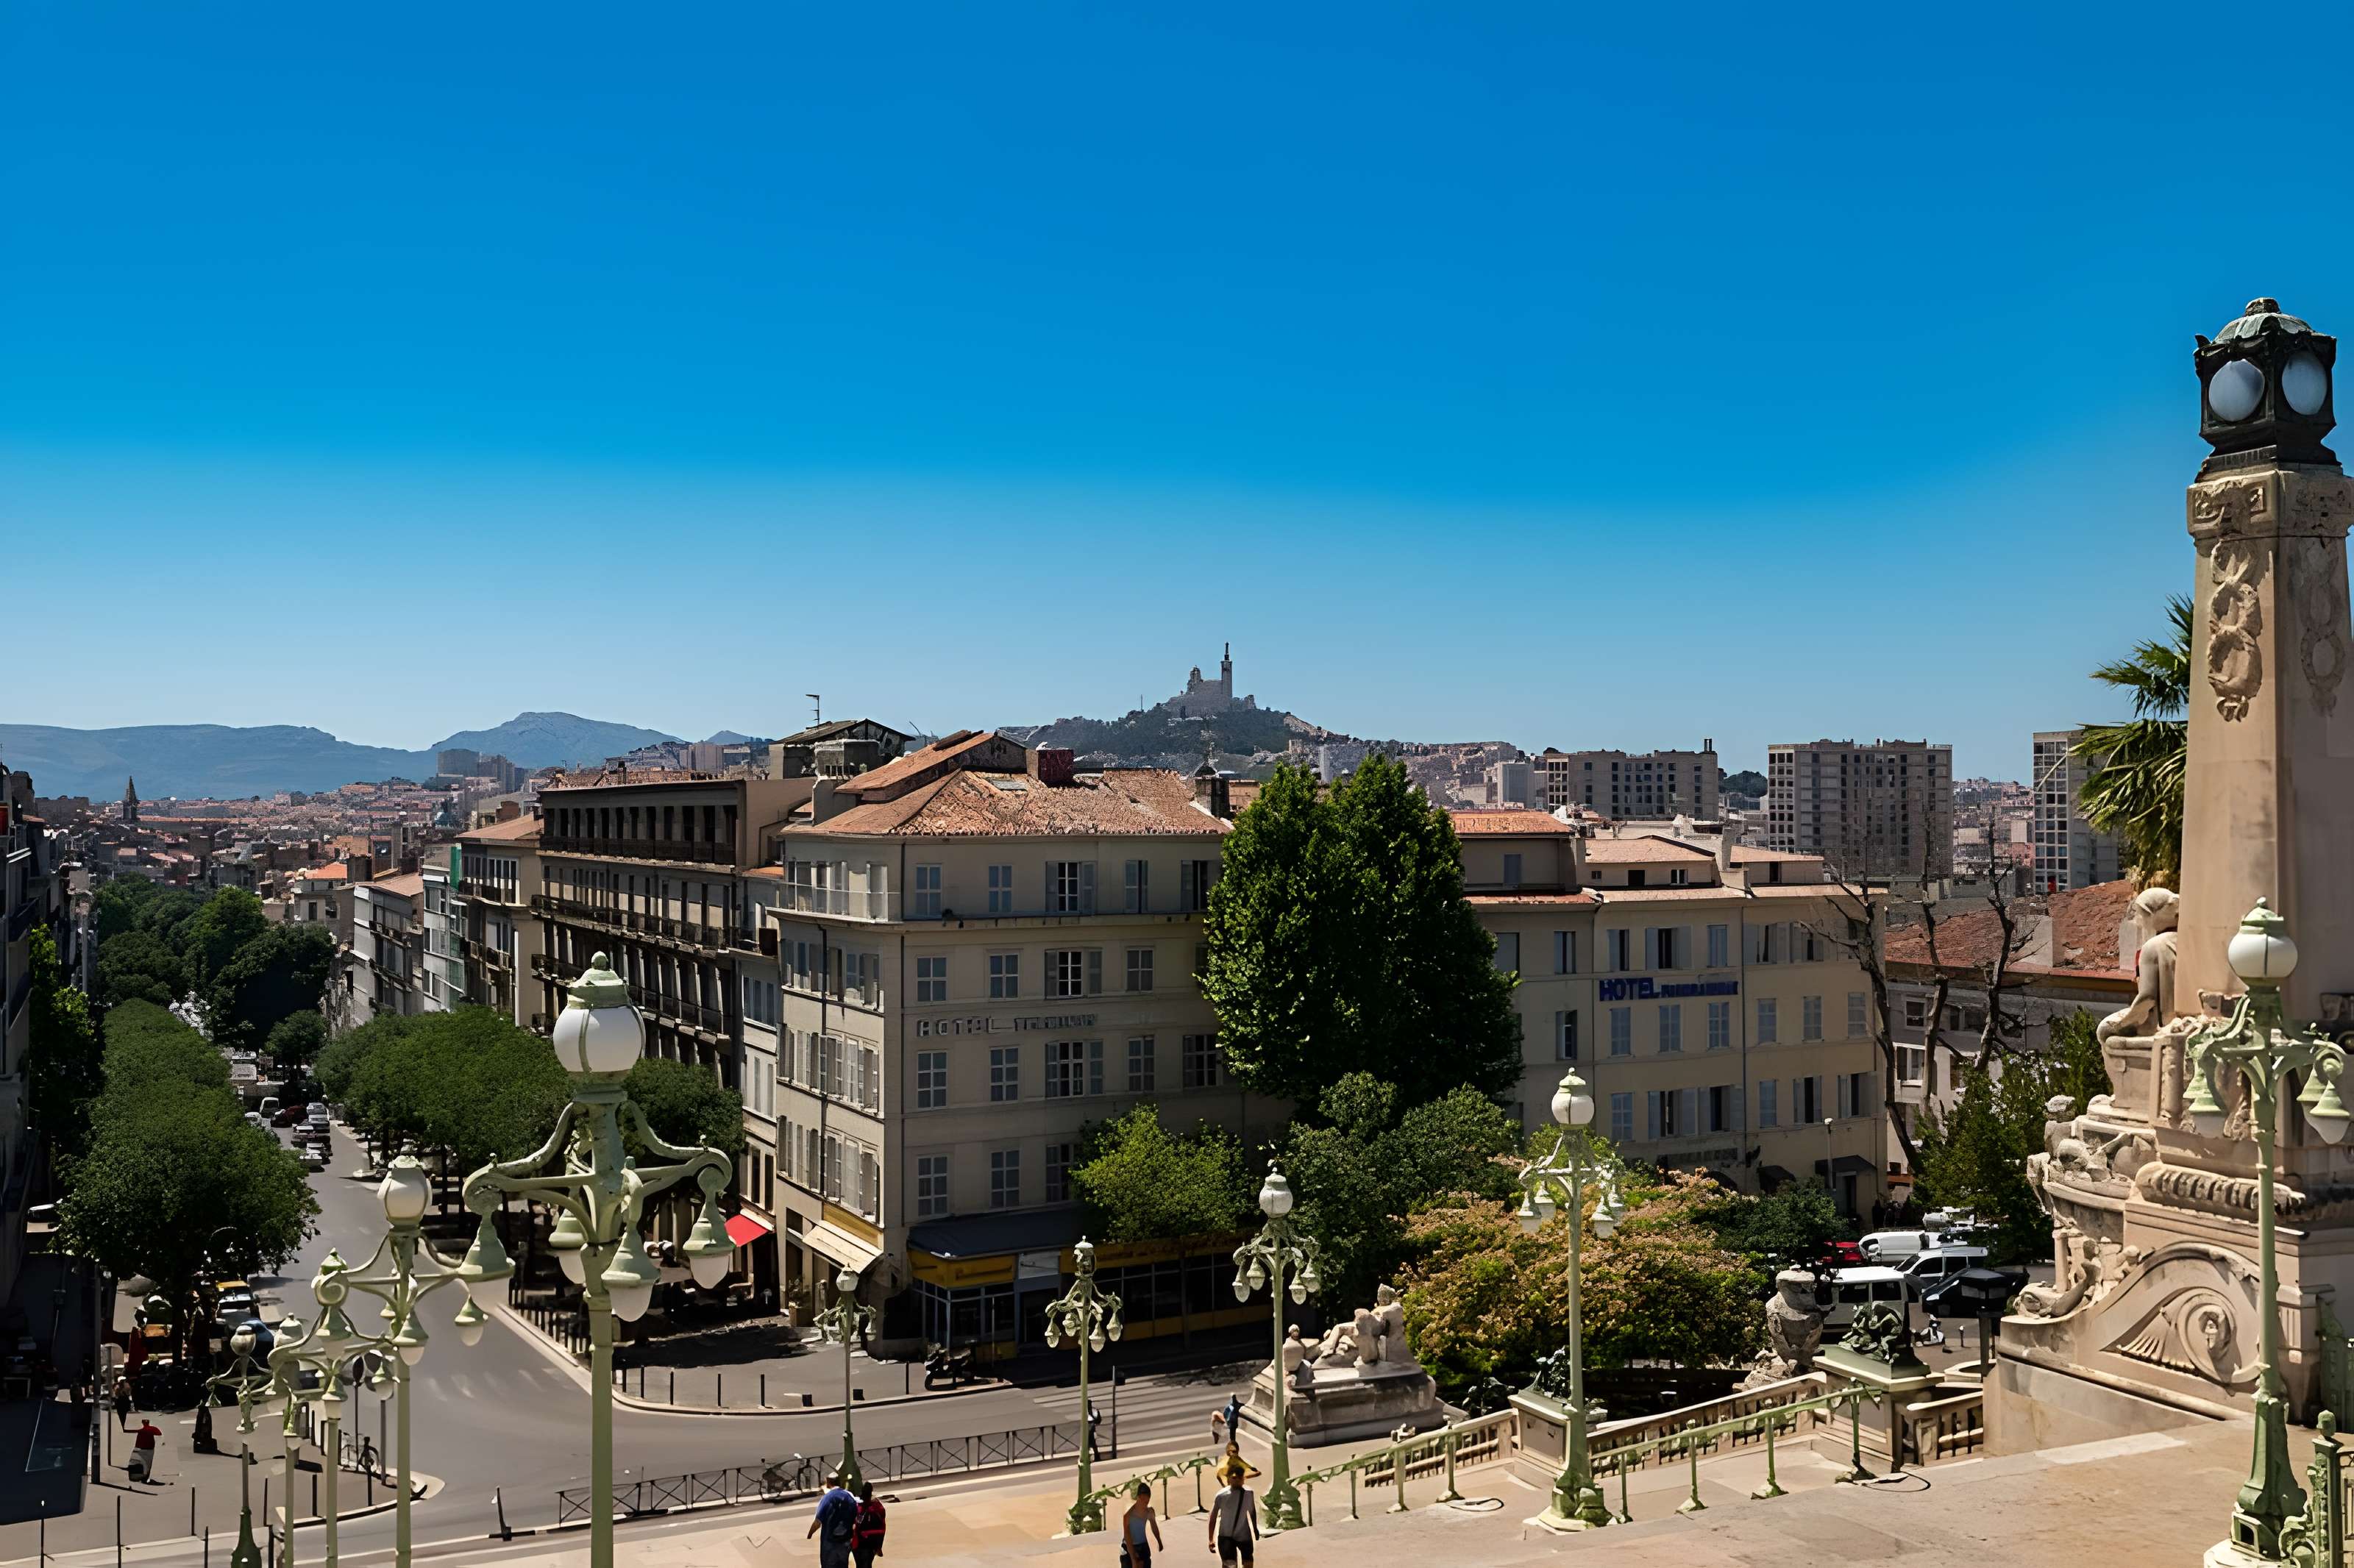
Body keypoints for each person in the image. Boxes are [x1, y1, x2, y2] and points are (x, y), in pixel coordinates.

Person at [806, 1472, 858, 1568]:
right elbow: (856, 1518)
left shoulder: (827, 1498)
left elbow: (818, 1522)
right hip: (845, 1541)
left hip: (829, 1543)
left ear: (828, 1483)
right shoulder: (849, 1497)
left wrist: (810, 1534)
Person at [1207, 1470, 1258, 1567]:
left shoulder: (1248, 1493)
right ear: (1229, 1479)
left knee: (1248, 1563)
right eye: (1234, 1478)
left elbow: (1252, 1512)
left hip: (1244, 1536)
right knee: (1230, 1565)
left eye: (1240, 1477)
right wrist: (1211, 1539)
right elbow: (1213, 1517)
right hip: (1226, 1536)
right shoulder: (1222, 1495)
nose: (1237, 1480)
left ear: (1243, 1479)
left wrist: (1255, 1529)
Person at [1120, 1480, 1163, 1567]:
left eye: (1147, 1502)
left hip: (1143, 1547)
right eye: (1143, 1501)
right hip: (1128, 1550)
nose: (1145, 1504)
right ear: (1138, 1498)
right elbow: (1128, 1539)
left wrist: (1159, 1541)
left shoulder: (1149, 1512)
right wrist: (1134, 1560)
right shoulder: (1128, 1516)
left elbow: (1154, 1526)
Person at [850, 1480, 886, 1568]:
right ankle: (879, 1549)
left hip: (858, 1541)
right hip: (872, 1542)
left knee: (860, 1564)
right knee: (867, 1564)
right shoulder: (877, 1505)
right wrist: (879, 1546)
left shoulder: (856, 1504)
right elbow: (882, 1525)